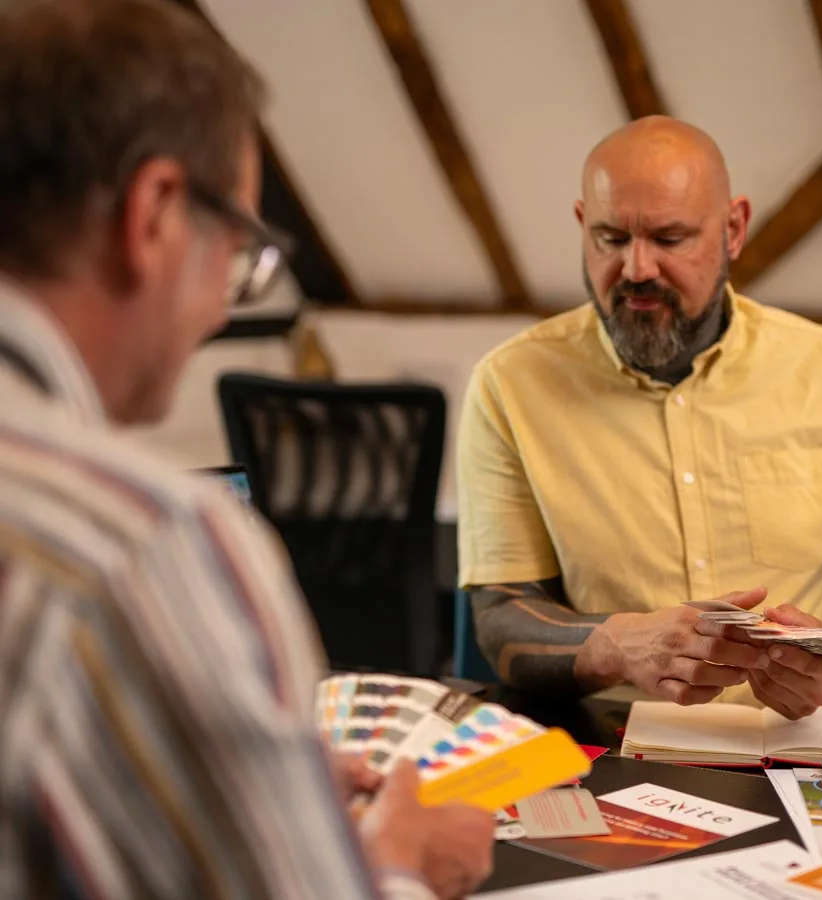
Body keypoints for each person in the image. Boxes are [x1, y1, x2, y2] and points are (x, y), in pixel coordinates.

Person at [0, 1, 494, 898]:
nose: (226, 308)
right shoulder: (144, 544)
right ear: (152, 213)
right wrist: (399, 867)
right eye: (238, 246)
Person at [457, 115, 822, 721]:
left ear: (734, 229)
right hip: (616, 737)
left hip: (813, 741)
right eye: (611, 239)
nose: (637, 269)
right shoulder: (510, 384)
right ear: (583, 226)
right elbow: (501, 615)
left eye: (669, 239)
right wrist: (615, 645)